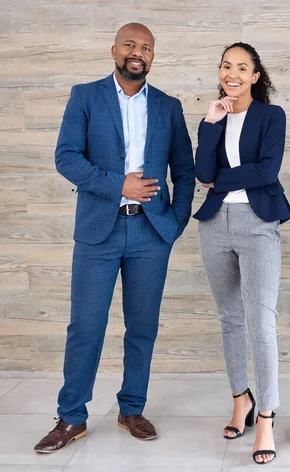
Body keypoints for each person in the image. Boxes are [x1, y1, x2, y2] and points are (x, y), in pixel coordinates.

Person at [34, 23, 195, 453]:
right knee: (85, 326)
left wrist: (174, 224)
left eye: (145, 47)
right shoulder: (85, 96)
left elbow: (184, 170)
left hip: (151, 233)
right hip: (97, 232)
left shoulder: (168, 106)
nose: (137, 52)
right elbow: (66, 157)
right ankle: (71, 417)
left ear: (153, 57)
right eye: (130, 45)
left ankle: (132, 408)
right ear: (114, 51)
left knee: (142, 327)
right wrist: (117, 185)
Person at [194, 42, 290, 464]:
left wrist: (223, 178)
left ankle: (267, 417)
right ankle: (241, 399)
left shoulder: (272, 116)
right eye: (225, 66)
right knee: (230, 318)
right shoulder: (211, 117)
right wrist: (211, 124)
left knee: (260, 320)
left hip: (258, 223)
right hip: (215, 225)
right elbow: (201, 174)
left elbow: (267, 170)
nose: (232, 74)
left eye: (242, 68)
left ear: (256, 76)